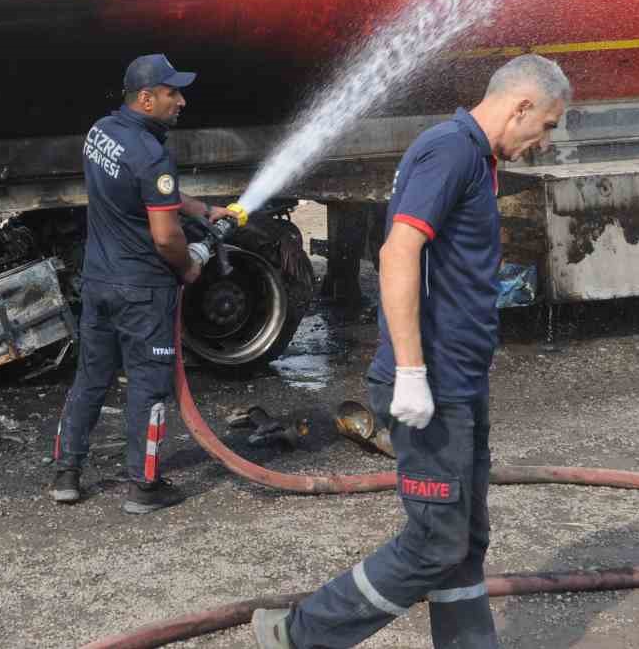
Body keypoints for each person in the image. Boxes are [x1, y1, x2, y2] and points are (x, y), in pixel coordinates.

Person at [253, 54, 572, 649]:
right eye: (548, 124)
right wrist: (411, 373)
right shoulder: (450, 151)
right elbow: (398, 253)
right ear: (521, 106)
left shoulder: (476, 157)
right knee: (435, 543)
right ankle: (299, 635)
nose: (546, 140)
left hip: (461, 381)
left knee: (465, 538)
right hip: (435, 386)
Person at [52, 54, 230, 515]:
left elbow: (147, 195)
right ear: (147, 98)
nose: (182, 101)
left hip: (98, 280)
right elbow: (165, 236)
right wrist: (189, 266)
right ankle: (145, 488)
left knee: (90, 378)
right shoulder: (153, 154)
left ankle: (66, 475)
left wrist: (202, 209)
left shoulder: (101, 132)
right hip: (143, 291)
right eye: (173, 93)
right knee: (148, 388)